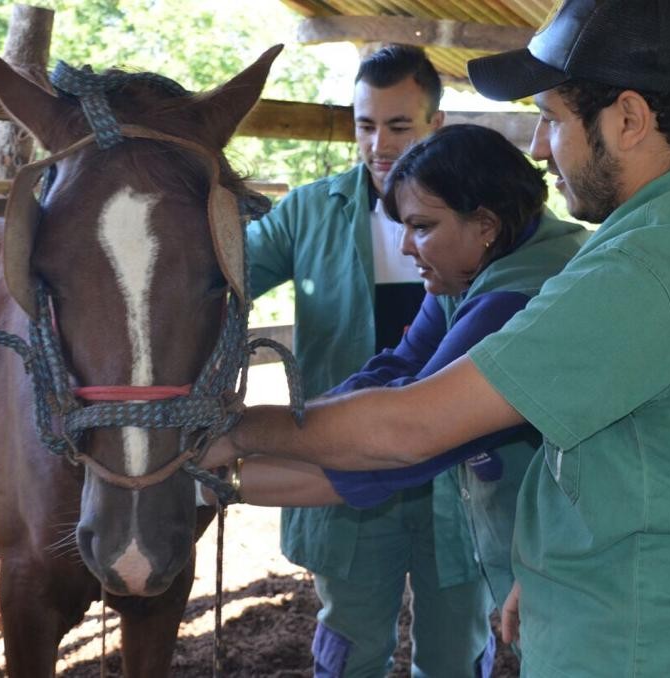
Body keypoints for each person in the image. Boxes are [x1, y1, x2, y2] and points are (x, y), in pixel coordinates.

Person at [208, 1, 670, 676]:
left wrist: (240, 432)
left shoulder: (638, 269)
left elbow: (410, 430)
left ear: (629, 119)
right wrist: (549, 571)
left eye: (551, 118)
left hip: (629, 649)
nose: (540, 146)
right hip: (666, 618)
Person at [208, 123, 587, 619]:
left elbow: (406, 441)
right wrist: (302, 425)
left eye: (423, 227)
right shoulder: (484, 267)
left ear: (486, 225)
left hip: (589, 567)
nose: (406, 247)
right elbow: (397, 367)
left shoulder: (516, 300)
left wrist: (229, 455)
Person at [245, 45, 496, 677]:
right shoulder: (306, 212)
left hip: (461, 487)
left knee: (453, 658)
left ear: (436, 125)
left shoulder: (486, 221)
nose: (379, 144)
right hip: (346, 480)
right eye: (365, 125)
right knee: (350, 652)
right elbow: (219, 275)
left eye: (399, 125)